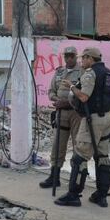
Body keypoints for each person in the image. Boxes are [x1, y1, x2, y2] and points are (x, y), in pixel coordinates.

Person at [54, 47, 110, 208]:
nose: (81, 61)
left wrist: (71, 87)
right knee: (103, 157)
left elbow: (83, 96)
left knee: (79, 158)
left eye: (83, 58)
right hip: (107, 119)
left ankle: (73, 195)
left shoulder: (90, 74)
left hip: (92, 120)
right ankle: (101, 196)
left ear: (90, 58)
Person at [39, 46, 83, 188]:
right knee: (58, 145)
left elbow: (85, 94)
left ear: (76, 57)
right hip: (61, 113)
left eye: (71, 56)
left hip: (76, 113)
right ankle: (54, 177)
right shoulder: (59, 72)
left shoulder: (83, 72)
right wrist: (56, 100)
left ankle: (76, 180)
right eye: (66, 56)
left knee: (79, 145)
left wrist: (68, 102)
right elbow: (51, 91)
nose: (69, 58)